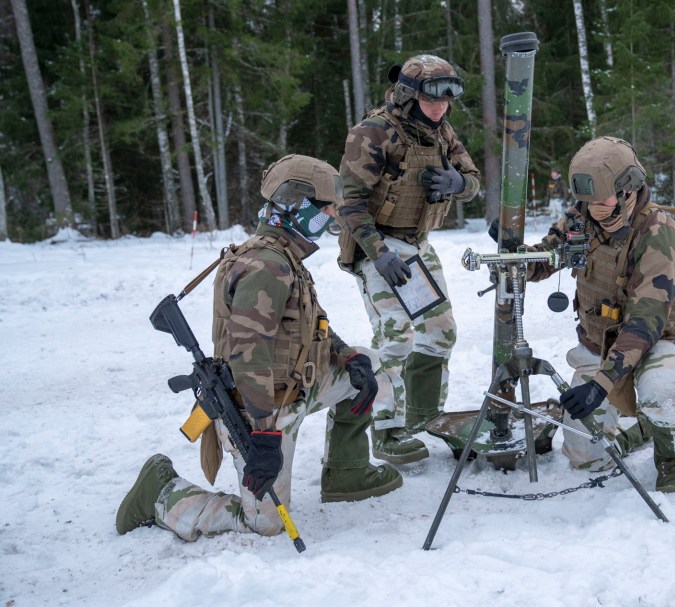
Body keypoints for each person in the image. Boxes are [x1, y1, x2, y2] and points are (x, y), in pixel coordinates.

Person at [116, 155, 402, 542]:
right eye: (325, 208)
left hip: (299, 387)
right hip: (260, 411)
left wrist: (347, 356)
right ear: (298, 205)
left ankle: (346, 472)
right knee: (265, 524)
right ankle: (162, 492)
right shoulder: (267, 266)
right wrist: (265, 437)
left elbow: (311, 323)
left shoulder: (285, 255)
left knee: (371, 365)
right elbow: (248, 356)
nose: (333, 216)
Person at [526, 137, 675, 492]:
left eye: (602, 200)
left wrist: (600, 386)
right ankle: (638, 431)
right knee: (585, 459)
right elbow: (547, 258)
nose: (593, 209)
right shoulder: (582, 216)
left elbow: (645, 321)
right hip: (597, 344)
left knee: (661, 391)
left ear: (627, 191)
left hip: (651, 341)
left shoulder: (658, 233)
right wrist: (514, 256)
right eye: (587, 201)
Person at [336, 54, 480, 464]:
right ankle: (386, 430)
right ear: (408, 95)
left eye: (446, 101)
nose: (440, 108)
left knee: (439, 331)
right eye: (432, 100)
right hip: (377, 245)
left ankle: (422, 416)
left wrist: (457, 182)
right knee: (396, 336)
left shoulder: (441, 132)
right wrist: (377, 256)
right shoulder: (374, 132)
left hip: (417, 246)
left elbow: (473, 180)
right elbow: (350, 203)